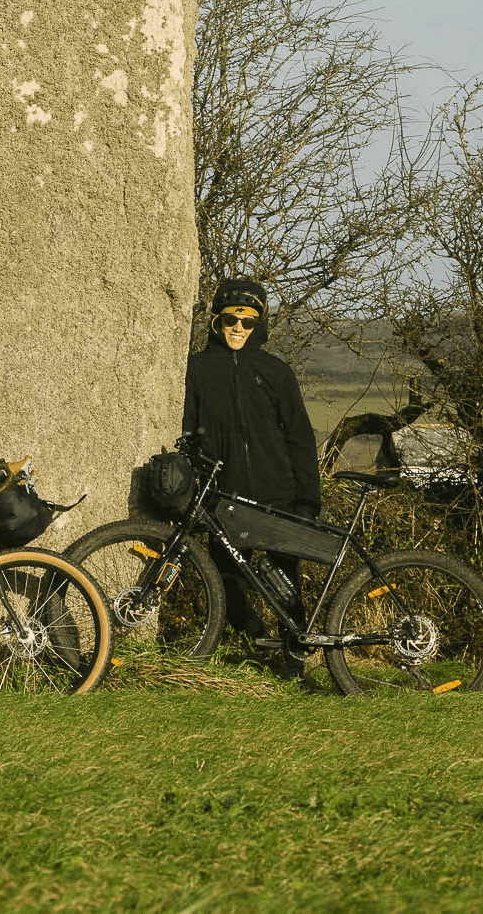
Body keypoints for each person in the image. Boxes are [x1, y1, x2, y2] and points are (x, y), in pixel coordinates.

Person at [181, 277, 321, 678]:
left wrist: (308, 500)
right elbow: (188, 433)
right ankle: (252, 646)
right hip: (224, 497)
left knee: (286, 581)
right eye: (230, 320)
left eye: (248, 322)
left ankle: (295, 662)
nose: (238, 329)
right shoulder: (197, 370)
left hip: (279, 495)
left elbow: (299, 438)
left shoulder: (276, 372)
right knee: (226, 581)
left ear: (260, 325)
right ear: (215, 322)